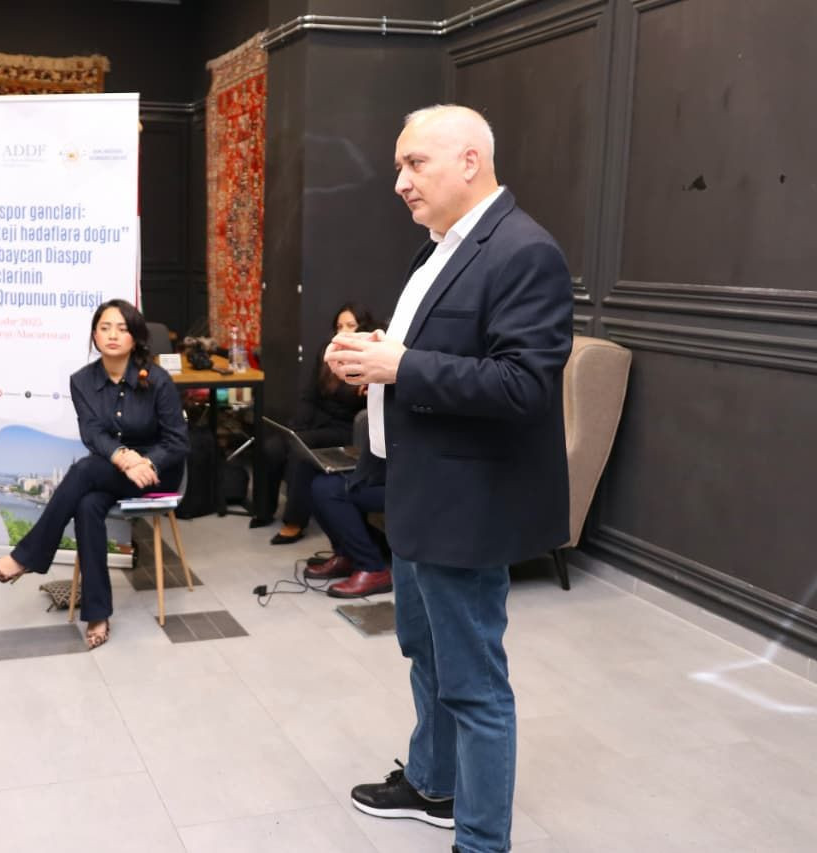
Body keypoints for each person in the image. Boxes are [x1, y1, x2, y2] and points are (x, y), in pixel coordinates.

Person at [325, 105, 572, 853]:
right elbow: (438, 352)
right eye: (399, 167)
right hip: (419, 493)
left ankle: (482, 841)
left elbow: (523, 386)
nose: (400, 182)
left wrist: (399, 364)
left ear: (470, 160)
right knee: (425, 652)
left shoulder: (525, 252)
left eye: (414, 164)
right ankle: (433, 784)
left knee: (474, 683)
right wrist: (375, 355)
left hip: (468, 505)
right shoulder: (438, 248)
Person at [0, 299, 188, 650]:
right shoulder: (82, 381)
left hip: (157, 473)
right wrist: (124, 459)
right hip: (113, 470)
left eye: (122, 328)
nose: (113, 335)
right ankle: (97, 613)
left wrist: (146, 464)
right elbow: (93, 434)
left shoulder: (157, 380)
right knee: (88, 505)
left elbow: (178, 442)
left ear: (135, 337)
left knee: (86, 468)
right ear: (94, 335)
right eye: (105, 328)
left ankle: (23, 558)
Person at [251, 302, 375, 544]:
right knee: (273, 446)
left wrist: (367, 389)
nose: (344, 331)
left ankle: (295, 522)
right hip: (318, 421)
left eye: (351, 325)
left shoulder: (369, 360)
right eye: (339, 326)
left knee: (300, 450)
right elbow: (309, 396)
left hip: (346, 428)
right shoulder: (327, 352)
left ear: (364, 327)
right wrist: (296, 426)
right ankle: (263, 511)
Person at [304, 410, 391, 598]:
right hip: (383, 471)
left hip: (409, 485)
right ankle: (347, 555)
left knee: (330, 490)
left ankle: (373, 568)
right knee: (317, 479)